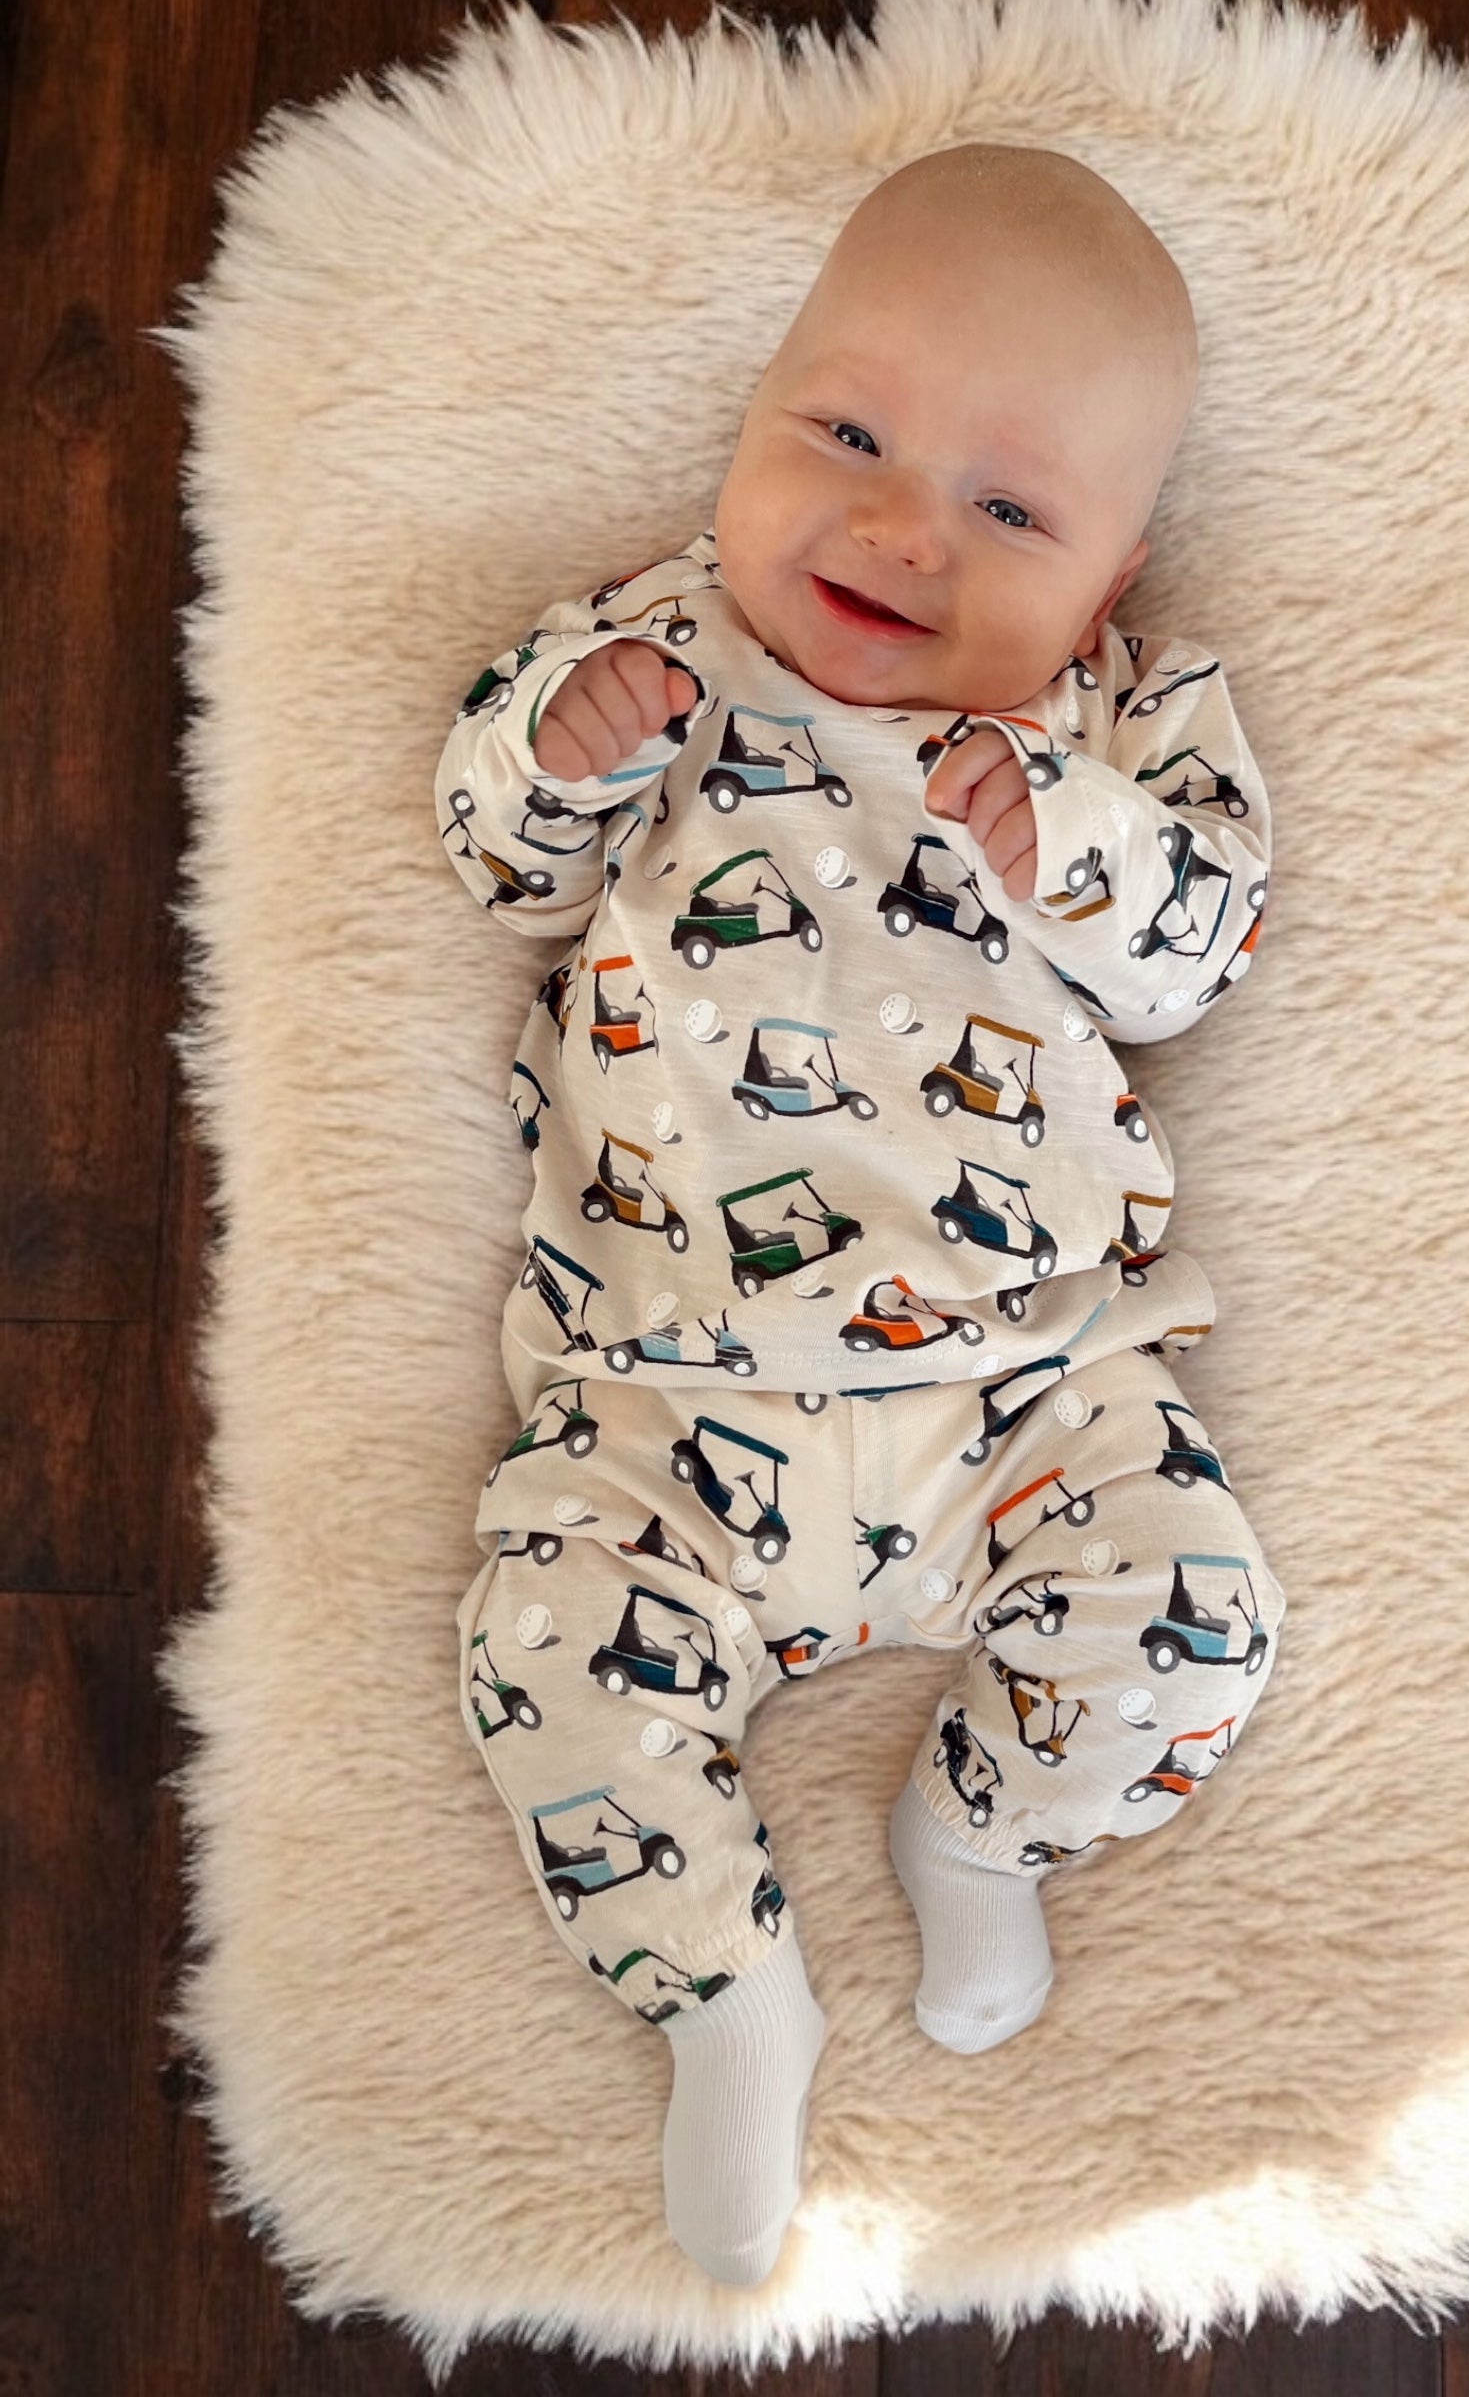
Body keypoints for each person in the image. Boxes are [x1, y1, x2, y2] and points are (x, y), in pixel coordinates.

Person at [434, 142, 1285, 2289]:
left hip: (1025, 1396)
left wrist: (1069, 836)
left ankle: (981, 1825)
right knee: (543, 1664)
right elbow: (495, 856)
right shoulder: (653, 656)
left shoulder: (1118, 720)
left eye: (1014, 512)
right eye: (844, 435)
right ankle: (728, 1993)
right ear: (757, 408)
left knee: (1197, 1617)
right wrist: (557, 749)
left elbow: (1200, 947)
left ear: (1114, 571)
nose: (905, 529)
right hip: (659, 1400)